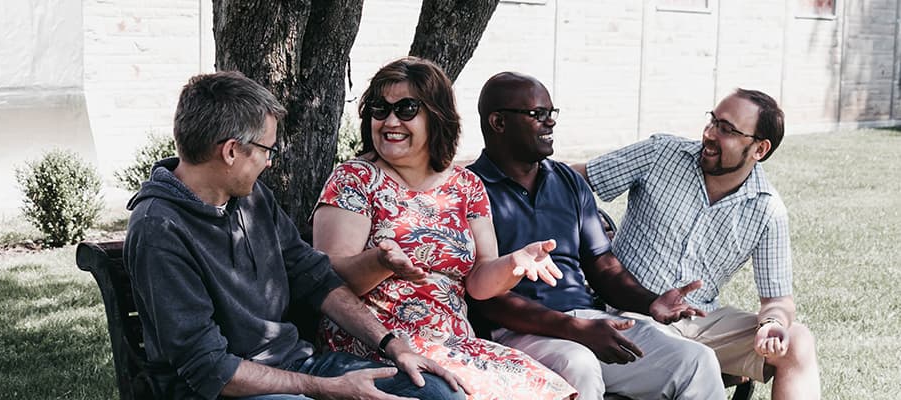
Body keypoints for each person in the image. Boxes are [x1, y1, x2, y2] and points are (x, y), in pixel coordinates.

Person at [124, 70, 467, 400]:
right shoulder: (159, 229)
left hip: (296, 366)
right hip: (225, 390)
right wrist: (331, 389)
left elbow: (315, 278)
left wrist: (393, 345)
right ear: (230, 151)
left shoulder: (252, 197)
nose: (270, 163)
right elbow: (208, 368)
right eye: (266, 150)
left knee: (439, 393)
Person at [311, 57, 576, 400]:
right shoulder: (355, 179)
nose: (390, 121)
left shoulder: (466, 185)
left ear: (436, 117)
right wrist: (380, 262)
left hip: (452, 342)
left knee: (551, 391)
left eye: (406, 109)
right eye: (380, 109)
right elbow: (328, 282)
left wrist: (513, 264)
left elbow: (480, 282)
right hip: (375, 345)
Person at [465, 71, 726, 399]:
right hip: (517, 333)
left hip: (590, 323)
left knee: (696, 361)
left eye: (551, 113)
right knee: (580, 364)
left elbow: (602, 265)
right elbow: (485, 300)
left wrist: (651, 302)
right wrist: (574, 330)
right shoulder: (469, 191)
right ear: (498, 122)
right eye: (537, 114)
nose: (550, 123)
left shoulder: (567, 182)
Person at [575, 88, 821, 399]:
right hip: (632, 312)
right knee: (685, 356)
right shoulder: (660, 154)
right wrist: (519, 172)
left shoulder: (767, 209)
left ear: (759, 149)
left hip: (700, 323)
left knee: (796, 342)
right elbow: (578, 178)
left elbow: (778, 299)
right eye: (713, 121)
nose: (709, 134)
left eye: (727, 130)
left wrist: (772, 323)